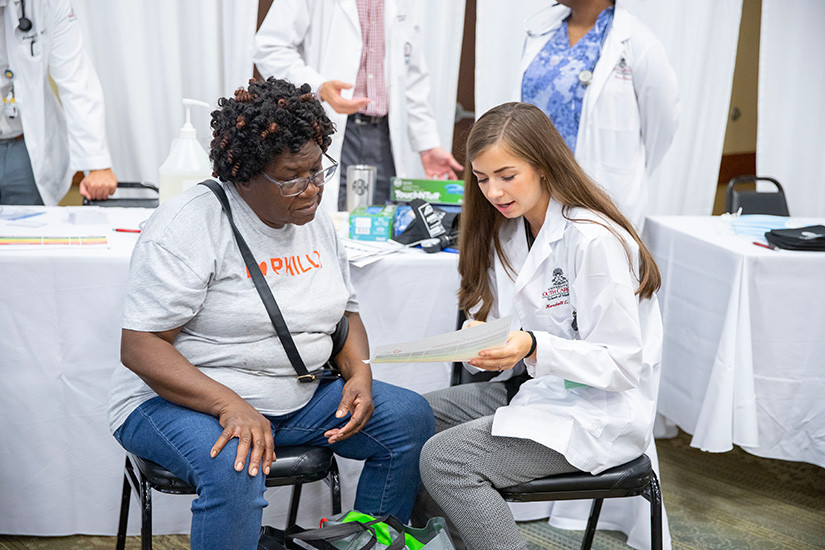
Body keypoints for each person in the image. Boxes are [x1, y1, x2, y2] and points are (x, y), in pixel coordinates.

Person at [108, 78, 434, 550]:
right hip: (176, 401)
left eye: (318, 170)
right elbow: (140, 347)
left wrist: (359, 374)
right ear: (243, 174)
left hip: (294, 394)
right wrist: (228, 404)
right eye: (292, 177)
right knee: (236, 463)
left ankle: (369, 542)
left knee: (408, 417)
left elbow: (346, 314)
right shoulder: (190, 225)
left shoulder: (314, 218)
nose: (312, 189)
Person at [412, 102, 663, 550]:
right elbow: (529, 322)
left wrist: (529, 346)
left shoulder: (592, 239)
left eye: (507, 176)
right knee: (411, 418)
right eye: (483, 178)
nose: (493, 191)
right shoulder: (512, 231)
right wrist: (487, 337)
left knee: (446, 460)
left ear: (544, 165)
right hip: (539, 389)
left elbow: (623, 364)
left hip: (597, 410)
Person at [253, 0, 462, 212]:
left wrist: (427, 144)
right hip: (333, 130)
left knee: (381, 223)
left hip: (384, 135)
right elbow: (270, 47)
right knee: (331, 222)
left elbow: (412, 76)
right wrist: (318, 87)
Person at [518, 0, 679, 229]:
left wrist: (624, 170)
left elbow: (662, 125)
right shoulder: (541, 31)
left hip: (597, 192)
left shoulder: (639, 42)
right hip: (535, 192)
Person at [0, 0, 116, 205]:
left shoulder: (48, 4)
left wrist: (96, 164)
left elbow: (77, 82)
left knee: (29, 234)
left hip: (24, 148)